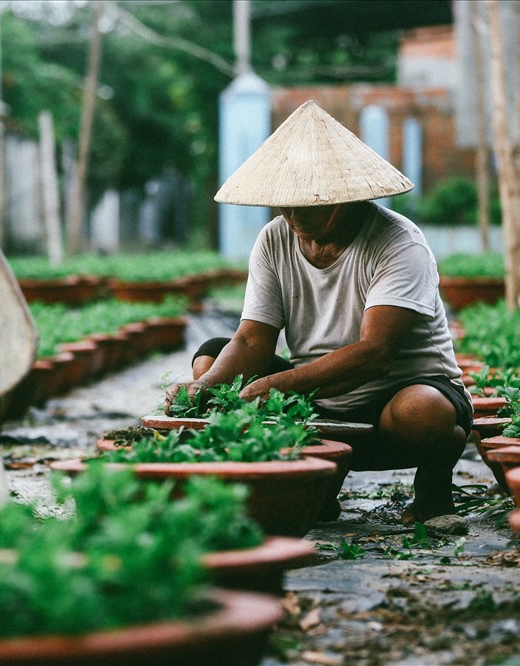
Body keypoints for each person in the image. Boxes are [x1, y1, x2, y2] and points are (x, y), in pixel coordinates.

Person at [165, 101, 472, 524]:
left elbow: (376, 353)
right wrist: (204, 389)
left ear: (345, 198)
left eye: (307, 205)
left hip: (393, 399)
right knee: (211, 362)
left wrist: (277, 386)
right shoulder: (274, 239)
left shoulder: (399, 243)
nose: (293, 217)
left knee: (424, 411)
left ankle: (434, 484)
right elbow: (252, 339)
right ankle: (317, 482)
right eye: (285, 205)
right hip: (315, 402)